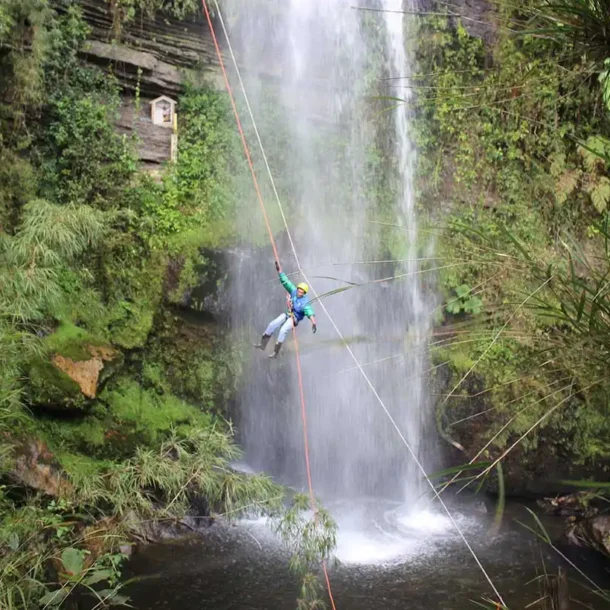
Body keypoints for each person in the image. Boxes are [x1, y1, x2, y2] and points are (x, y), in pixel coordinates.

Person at [254, 261, 317, 358]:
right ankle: (263, 344)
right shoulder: (293, 291)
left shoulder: (305, 303)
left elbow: (310, 312)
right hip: (288, 314)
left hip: (294, 319)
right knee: (272, 324)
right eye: (299, 290)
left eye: (301, 291)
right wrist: (279, 270)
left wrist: (313, 322)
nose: (299, 292)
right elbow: (285, 281)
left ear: (304, 293)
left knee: (283, 330)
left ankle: (275, 352)